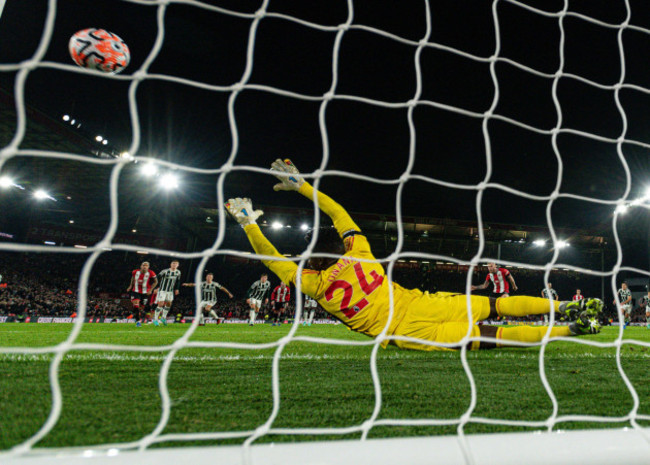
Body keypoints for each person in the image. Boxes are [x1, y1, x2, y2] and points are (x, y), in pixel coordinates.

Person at [224, 159, 603, 351]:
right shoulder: (360, 254)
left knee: (495, 335)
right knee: (496, 306)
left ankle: (572, 329)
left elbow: (272, 260)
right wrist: (304, 187)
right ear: (338, 247)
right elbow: (340, 214)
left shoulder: (311, 283)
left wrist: (249, 225)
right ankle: (567, 308)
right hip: (423, 304)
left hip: (406, 331)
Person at [126, 261, 157, 327]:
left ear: (148, 267)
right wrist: (131, 286)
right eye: (143, 265)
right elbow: (133, 278)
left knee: (140, 308)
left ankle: (136, 314)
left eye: (146, 266)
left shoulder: (151, 273)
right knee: (136, 305)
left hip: (145, 293)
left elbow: (156, 282)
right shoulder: (135, 272)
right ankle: (138, 321)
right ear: (141, 266)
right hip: (136, 291)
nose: (145, 267)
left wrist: (151, 290)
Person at [152, 260, 182, 326]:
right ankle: (155, 319)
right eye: (173, 263)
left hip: (170, 291)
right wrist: (156, 287)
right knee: (161, 304)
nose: (174, 265)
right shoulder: (165, 271)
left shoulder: (178, 272)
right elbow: (156, 278)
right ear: (170, 264)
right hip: (162, 290)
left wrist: (177, 289)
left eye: (176, 264)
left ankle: (163, 317)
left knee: (169, 304)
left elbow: (178, 281)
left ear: (178, 265)